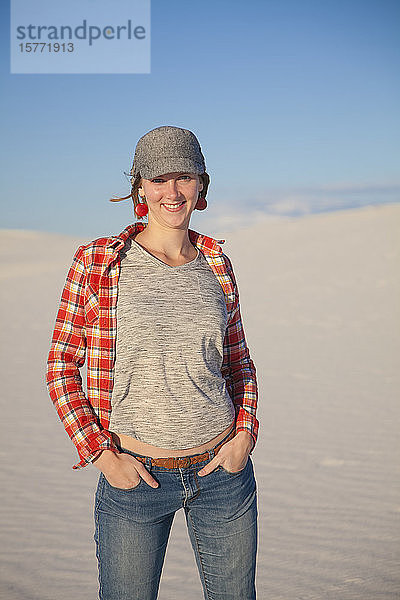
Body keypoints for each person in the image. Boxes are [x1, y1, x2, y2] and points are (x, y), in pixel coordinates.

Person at [46, 125, 260, 600]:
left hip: (223, 475)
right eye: (159, 178)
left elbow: (239, 363)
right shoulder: (99, 261)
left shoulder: (216, 263)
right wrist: (101, 454)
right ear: (139, 187)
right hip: (134, 478)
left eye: (184, 176)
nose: (172, 190)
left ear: (201, 185)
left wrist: (245, 433)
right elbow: (61, 367)